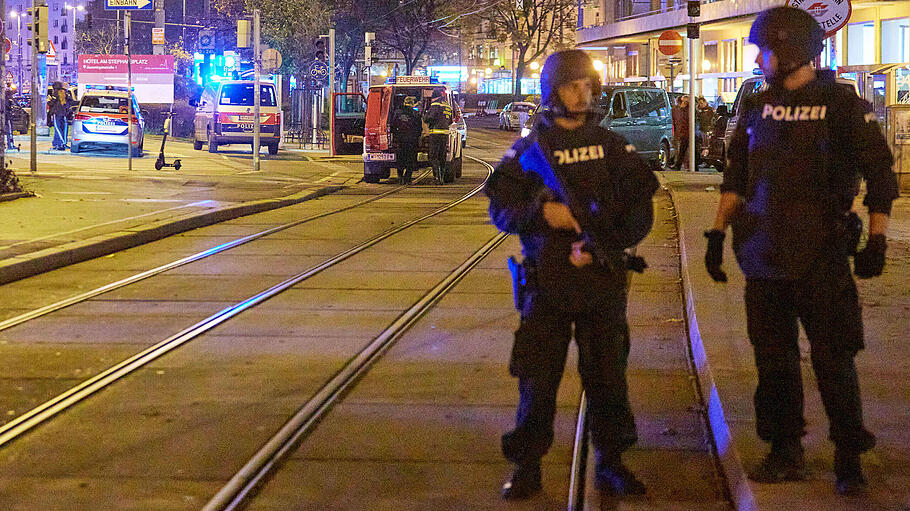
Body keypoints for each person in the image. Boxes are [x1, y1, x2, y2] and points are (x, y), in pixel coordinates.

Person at [703, 6, 899, 496]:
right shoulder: (756, 105)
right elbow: (738, 177)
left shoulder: (840, 105)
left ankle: (848, 454)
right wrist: (716, 235)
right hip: (764, 254)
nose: (758, 58)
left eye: (763, 49)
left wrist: (878, 236)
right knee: (774, 363)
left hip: (822, 255)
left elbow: (880, 173)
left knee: (834, 359)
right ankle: (784, 449)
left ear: (788, 51)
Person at [484, 49, 658, 501]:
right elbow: (501, 207)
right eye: (572, 86)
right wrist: (543, 214)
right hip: (547, 283)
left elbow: (641, 208)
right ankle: (526, 466)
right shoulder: (529, 151)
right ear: (553, 92)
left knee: (607, 379)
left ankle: (612, 461)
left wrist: (606, 242)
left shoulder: (611, 146)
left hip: (601, 282)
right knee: (537, 379)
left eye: (588, 86)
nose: (583, 95)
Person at [423, 89, 452, 184]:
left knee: (432, 156)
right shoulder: (447, 105)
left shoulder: (436, 104)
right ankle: (442, 178)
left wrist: (425, 116)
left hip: (435, 134)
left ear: (434, 97)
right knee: (442, 156)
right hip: (445, 134)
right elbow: (450, 120)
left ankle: (436, 178)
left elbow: (430, 117)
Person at [391, 95, 421, 184]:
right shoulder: (415, 114)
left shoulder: (397, 112)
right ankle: (407, 178)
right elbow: (419, 128)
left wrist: (396, 135)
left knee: (400, 158)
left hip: (400, 139)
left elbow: (393, 125)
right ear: (413, 104)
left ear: (404, 103)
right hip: (412, 140)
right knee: (410, 159)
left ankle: (400, 178)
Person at [47, 81, 73, 151]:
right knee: (64, 129)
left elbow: (52, 103)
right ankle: (62, 143)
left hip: (57, 113)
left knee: (58, 129)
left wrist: (49, 101)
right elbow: (70, 103)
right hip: (64, 114)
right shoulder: (67, 94)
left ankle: (60, 144)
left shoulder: (56, 93)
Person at [671, 95, 694, 170]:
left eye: (685, 102)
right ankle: (679, 165)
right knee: (681, 150)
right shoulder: (678, 110)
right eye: (682, 101)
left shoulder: (688, 110)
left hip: (687, 133)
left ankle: (681, 166)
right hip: (682, 133)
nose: (683, 103)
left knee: (684, 151)